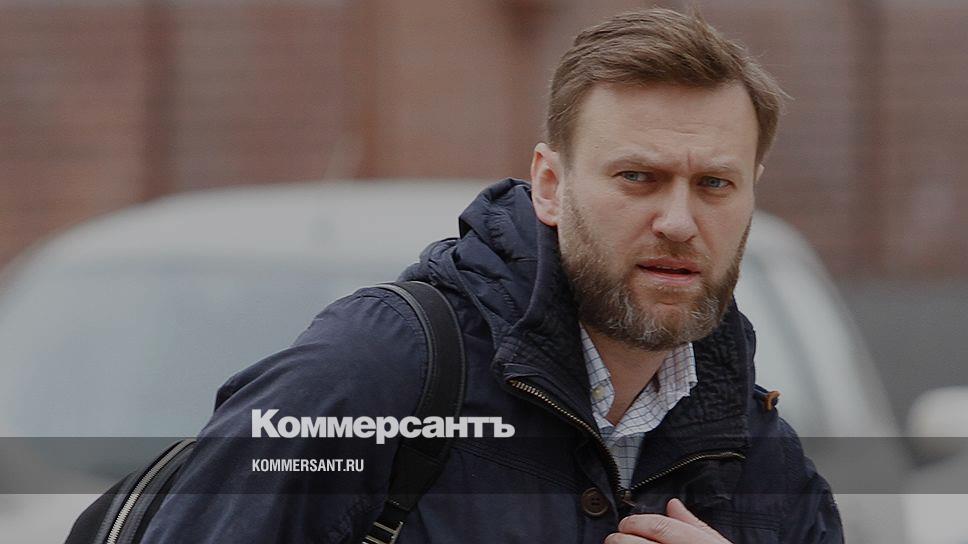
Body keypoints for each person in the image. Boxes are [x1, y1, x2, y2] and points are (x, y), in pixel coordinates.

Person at [143, 7, 842, 544]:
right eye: (638, 177)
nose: (680, 222)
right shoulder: (368, 379)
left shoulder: (763, 455)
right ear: (550, 186)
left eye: (715, 184)